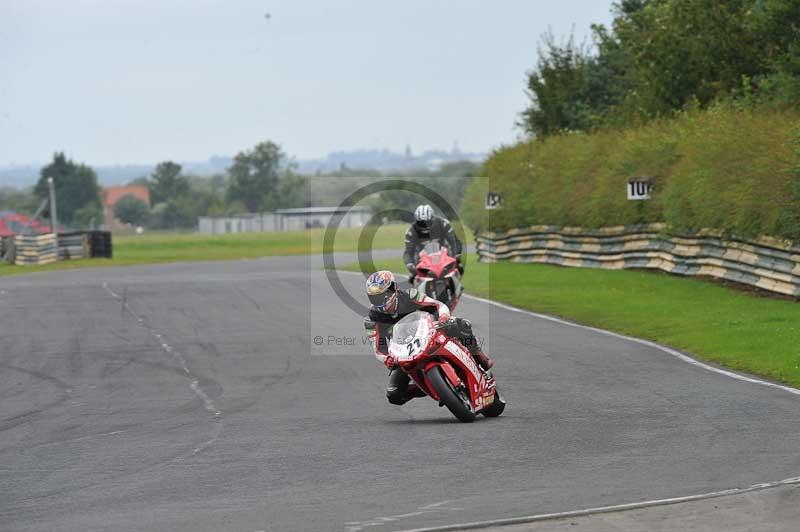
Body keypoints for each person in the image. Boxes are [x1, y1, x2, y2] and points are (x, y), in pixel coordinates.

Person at [363, 270, 493, 405]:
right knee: (394, 394)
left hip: (431, 332)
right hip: (405, 352)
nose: (380, 301)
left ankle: (480, 359)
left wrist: (444, 317)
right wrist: (387, 359)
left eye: (383, 296)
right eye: (375, 298)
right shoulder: (371, 320)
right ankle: (437, 388)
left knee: (462, 324)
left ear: (393, 289)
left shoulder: (410, 295)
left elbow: (438, 305)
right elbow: (378, 348)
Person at [403, 204, 463, 277]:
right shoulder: (411, 230)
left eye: (427, 222)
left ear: (432, 218)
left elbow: (454, 241)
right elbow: (408, 251)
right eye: (421, 222)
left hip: (444, 257)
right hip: (422, 260)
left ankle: (456, 283)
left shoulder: (442, 223)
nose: (424, 225)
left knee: (459, 268)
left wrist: (456, 255)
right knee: (413, 277)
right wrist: (410, 263)